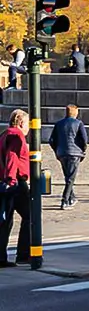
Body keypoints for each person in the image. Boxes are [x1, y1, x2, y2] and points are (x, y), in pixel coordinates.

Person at [0, 109, 32, 266]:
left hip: (8, 180)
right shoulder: (16, 135)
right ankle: (24, 254)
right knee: (30, 216)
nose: (28, 128)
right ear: (21, 123)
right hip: (16, 181)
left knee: (6, 220)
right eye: (27, 124)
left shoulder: (5, 134)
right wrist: (11, 180)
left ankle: (1, 257)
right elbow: (12, 157)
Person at [49, 105, 88, 209]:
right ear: (76, 113)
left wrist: (56, 150)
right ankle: (65, 200)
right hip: (74, 153)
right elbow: (84, 139)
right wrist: (83, 150)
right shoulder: (79, 123)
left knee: (68, 177)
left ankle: (72, 197)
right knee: (70, 178)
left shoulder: (58, 124)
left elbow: (51, 140)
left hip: (62, 153)